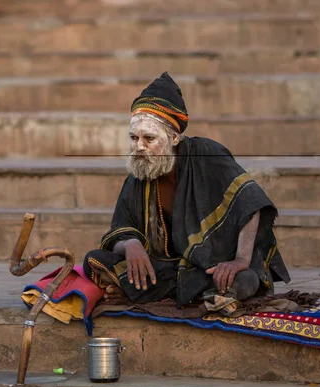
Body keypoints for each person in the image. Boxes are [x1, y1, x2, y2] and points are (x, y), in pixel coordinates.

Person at [83, 72, 290, 308]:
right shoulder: (140, 174)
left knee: (244, 279)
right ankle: (176, 293)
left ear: (173, 138)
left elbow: (250, 201)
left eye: (149, 138)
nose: (139, 146)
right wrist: (130, 244)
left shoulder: (206, 153)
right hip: (171, 267)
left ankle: (150, 293)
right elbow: (119, 228)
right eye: (133, 137)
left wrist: (240, 260)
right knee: (94, 260)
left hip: (217, 264)